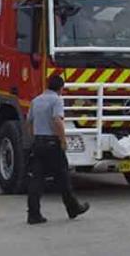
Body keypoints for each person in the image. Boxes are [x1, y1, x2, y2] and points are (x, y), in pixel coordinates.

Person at [25, 75, 90, 224]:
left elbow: (28, 122)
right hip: (52, 143)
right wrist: (62, 140)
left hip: (39, 143)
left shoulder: (36, 100)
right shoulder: (56, 100)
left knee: (36, 180)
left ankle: (33, 214)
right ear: (61, 88)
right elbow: (57, 121)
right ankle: (73, 208)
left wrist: (34, 138)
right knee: (63, 177)